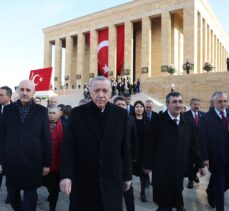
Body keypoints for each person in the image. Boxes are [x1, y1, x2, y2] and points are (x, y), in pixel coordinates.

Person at [60, 76, 132, 211]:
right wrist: (65, 175)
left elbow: (124, 147)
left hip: (112, 178)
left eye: (105, 91)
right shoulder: (77, 114)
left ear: (111, 93)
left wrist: (127, 175)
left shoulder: (121, 114)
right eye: (96, 90)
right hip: (83, 178)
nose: (101, 95)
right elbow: (68, 147)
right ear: (90, 92)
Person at [144, 92, 205, 211]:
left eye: (180, 102)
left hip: (179, 168)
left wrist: (200, 164)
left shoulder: (187, 122)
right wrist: (147, 165)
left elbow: (194, 145)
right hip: (161, 169)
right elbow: (149, 145)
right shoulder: (158, 121)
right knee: (164, 201)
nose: (178, 105)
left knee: (177, 194)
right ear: (167, 104)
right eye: (174, 102)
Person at [0, 80, 52, 211]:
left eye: (28, 90)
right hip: (11, 160)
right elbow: (2, 136)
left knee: (30, 197)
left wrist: (47, 163)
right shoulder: (7, 110)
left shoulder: (41, 111)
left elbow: (46, 138)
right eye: (22, 89)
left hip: (32, 161)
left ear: (33, 93)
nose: (24, 93)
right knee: (11, 197)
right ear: (17, 91)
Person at [200, 91, 229, 211]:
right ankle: (220, 208)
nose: (223, 104)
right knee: (220, 181)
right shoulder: (206, 118)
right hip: (216, 157)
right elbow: (202, 139)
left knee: (225, 183)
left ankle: (210, 190)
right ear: (214, 103)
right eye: (220, 101)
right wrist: (205, 157)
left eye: (225, 101)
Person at [113, 96, 138, 211]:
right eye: (119, 104)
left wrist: (134, 156)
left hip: (126, 159)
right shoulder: (108, 119)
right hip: (112, 159)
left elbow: (135, 139)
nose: (121, 106)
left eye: (123, 105)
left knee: (128, 188)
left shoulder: (130, 119)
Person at [43, 106, 63, 211]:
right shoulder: (42, 125)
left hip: (58, 163)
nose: (51, 115)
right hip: (44, 162)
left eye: (54, 113)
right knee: (46, 184)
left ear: (59, 113)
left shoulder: (65, 126)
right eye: (50, 113)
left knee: (54, 188)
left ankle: (52, 208)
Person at [183, 98, 205, 189]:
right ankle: (190, 181)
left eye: (198, 104)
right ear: (190, 105)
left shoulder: (203, 115)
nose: (196, 106)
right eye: (195, 104)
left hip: (201, 145)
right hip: (190, 145)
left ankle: (193, 174)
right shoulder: (184, 115)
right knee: (190, 163)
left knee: (200, 163)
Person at [133, 100, 151, 202]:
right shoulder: (130, 120)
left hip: (143, 152)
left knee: (143, 175)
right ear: (134, 108)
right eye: (137, 107)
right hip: (132, 152)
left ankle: (143, 192)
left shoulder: (147, 120)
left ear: (143, 109)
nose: (139, 108)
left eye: (141, 107)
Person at [0, 86, 13, 188]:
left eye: (1, 95)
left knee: (12, 181)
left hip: (12, 151)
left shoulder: (17, 110)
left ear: (9, 96)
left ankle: (11, 196)